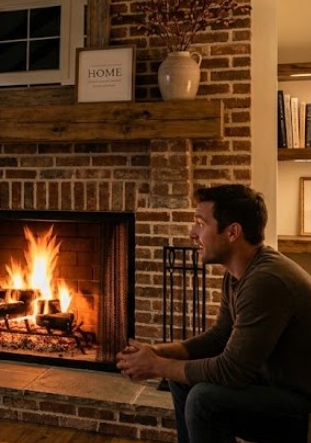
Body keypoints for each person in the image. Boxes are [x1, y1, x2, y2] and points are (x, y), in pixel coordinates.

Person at [116, 184, 311, 443]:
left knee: (203, 400)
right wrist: (157, 352)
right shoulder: (239, 273)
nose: (191, 233)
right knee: (181, 379)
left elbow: (232, 371)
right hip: (271, 383)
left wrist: (156, 366)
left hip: (300, 404)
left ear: (233, 232)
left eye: (200, 223)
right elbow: (219, 338)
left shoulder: (266, 281)